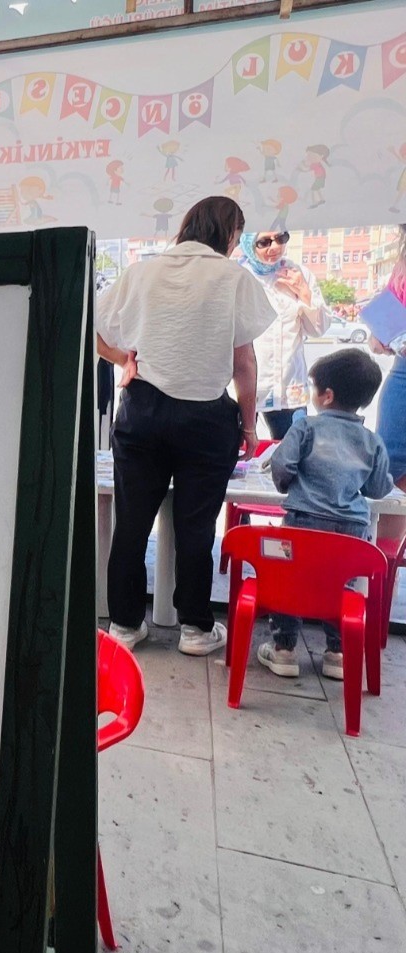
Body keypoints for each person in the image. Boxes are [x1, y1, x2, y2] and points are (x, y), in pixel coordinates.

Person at [96, 196, 276, 655]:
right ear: (230, 233)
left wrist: (124, 359)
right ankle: (196, 630)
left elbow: (90, 323)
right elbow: (244, 362)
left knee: (132, 522)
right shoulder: (233, 277)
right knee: (196, 527)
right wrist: (250, 426)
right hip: (206, 417)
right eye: (239, 233)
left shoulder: (141, 271)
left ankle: (124, 626)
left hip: (142, 410)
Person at [258, 349, 394, 680]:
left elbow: (282, 465)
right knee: (341, 583)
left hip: (303, 520)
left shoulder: (306, 428)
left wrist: (286, 483)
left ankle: (284, 649)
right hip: (351, 528)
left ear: (327, 395)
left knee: (289, 577)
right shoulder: (371, 441)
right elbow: (378, 488)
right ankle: (336, 653)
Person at [238, 230, 329, 438]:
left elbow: (318, 329)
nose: (275, 247)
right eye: (264, 242)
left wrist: (303, 292)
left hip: (289, 389)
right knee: (235, 456)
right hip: (246, 387)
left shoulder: (298, 273)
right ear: (249, 244)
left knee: (294, 456)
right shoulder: (238, 277)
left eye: (281, 239)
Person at [370, 228, 406, 490]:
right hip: (402, 375)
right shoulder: (402, 265)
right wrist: (384, 334)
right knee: (389, 478)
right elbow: (379, 337)